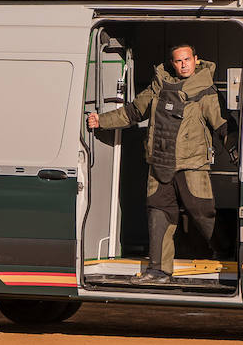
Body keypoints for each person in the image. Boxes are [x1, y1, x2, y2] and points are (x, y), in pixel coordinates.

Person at [87, 44, 227, 285]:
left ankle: (225, 252)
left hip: (192, 164)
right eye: (178, 61)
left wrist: (237, 150)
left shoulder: (206, 90)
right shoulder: (158, 86)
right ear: (171, 63)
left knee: (202, 212)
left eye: (187, 59)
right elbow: (132, 113)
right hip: (159, 165)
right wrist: (100, 121)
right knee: (159, 215)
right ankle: (158, 270)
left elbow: (223, 125)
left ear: (196, 59)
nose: (183, 64)